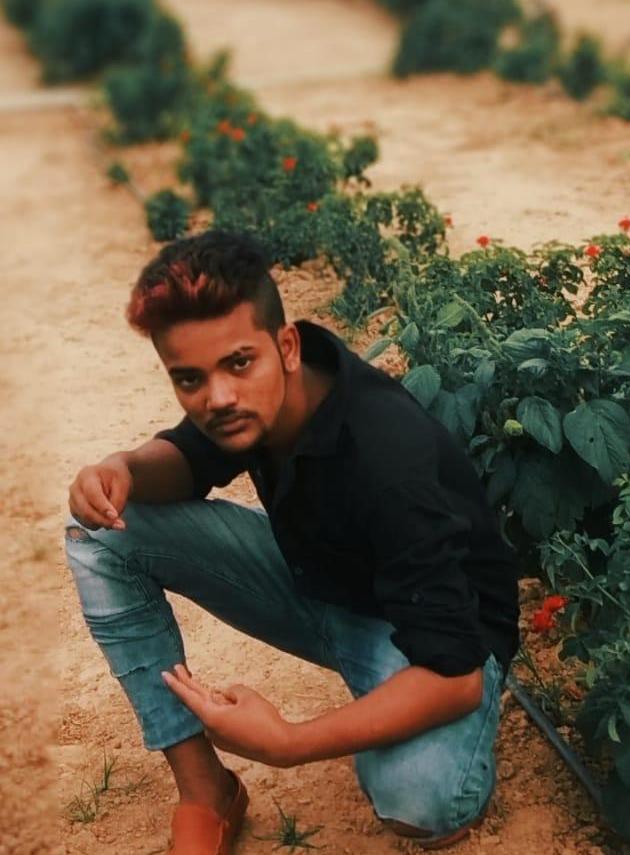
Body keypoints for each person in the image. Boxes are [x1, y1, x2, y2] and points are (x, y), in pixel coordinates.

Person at [65, 229, 520, 855]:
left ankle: (418, 731)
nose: (218, 398)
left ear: (286, 346)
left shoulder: (387, 457)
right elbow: (188, 460)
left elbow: (456, 677)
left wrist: (288, 742)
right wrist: (122, 468)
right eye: (189, 379)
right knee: (101, 533)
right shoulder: (254, 403)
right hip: (321, 584)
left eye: (238, 363)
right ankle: (206, 792)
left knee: (422, 800)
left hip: (435, 644)